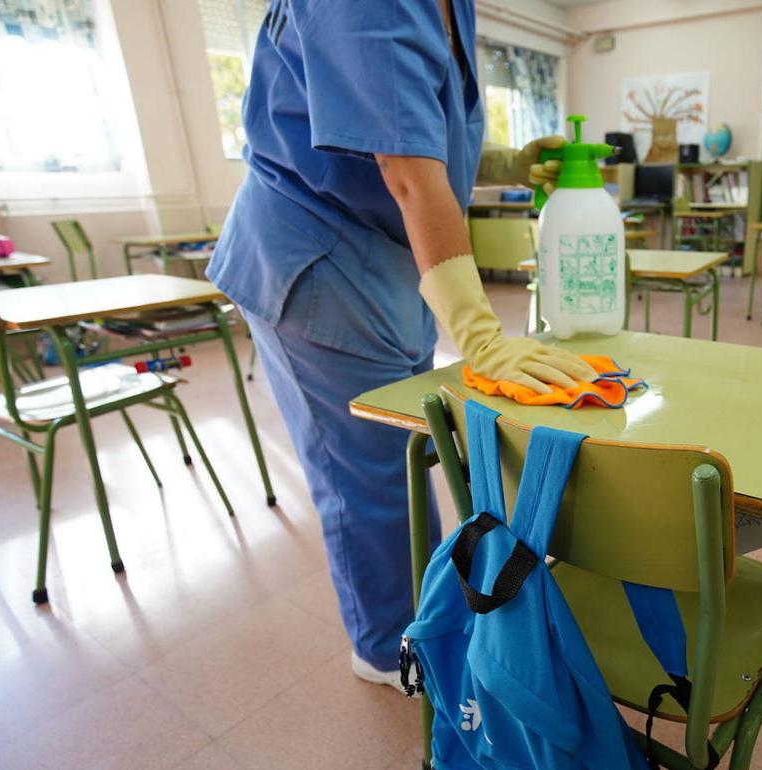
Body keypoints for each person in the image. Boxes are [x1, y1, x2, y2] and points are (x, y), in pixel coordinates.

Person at [207, 0, 594, 688]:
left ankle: (427, 612)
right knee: (369, 476)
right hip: (317, 255)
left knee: (409, 457)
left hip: (388, 263)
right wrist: (479, 334)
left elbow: (420, 123)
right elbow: (407, 171)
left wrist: (505, 158)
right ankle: (385, 646)